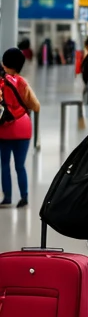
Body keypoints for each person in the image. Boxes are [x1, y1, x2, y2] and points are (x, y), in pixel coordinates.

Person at [0, 48, 40, 208]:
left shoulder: (1, 82)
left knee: (4, 164)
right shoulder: (22, 82)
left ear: (4, 62)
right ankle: (24, 197)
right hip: (23, 127)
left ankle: (7, 197)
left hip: (4, 128)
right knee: (20, 165)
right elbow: (35, 106)